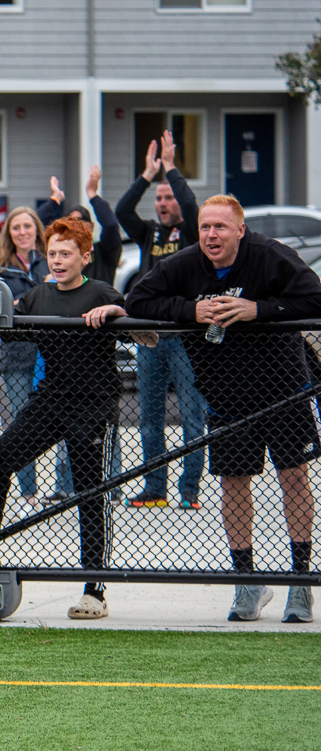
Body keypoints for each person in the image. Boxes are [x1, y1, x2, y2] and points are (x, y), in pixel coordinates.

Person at [127, 195, 321, 624]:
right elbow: (137, 300)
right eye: (205, 228)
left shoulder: (271, 257)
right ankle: (247, 579)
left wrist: (260, 310)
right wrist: (189, 310)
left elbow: (316, 300)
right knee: (234, 483)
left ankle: (302, 582)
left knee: (294, 476)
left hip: (283, 389)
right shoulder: (184, 264)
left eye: (220, 227)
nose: (211, 235)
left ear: (240, 230)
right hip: (226, 395)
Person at [0, 219, 131, 620]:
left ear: (85, 257)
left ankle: (95, 589)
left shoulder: (100, 292)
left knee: (90, 491)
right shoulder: (38, 295)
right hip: (51, 401)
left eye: (66, 254)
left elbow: (144, 331)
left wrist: (117, 310)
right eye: (52, 253)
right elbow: (5, 327)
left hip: (94, 406)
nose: (57, 260)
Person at [116, 131, 205, 508]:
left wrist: (171, 168)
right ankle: (155, 488)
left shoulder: (191, 232)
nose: (164, 202)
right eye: (159, 198)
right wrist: (147, 176)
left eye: (169, 197)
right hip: (150, 335)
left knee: (191, 416)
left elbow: (192, 203)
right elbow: (122, 211)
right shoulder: (149, 232)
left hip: (185, 335)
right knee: (149, 417)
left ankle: (189, 490)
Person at [39, 166, 127, 500]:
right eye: (54, 253)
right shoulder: (47, 285)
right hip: (60, 378)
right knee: (62, 433)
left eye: (81, 223)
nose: (58, 258)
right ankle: (64, 486)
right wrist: (54, 201)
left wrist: (93, 194)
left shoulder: (105, 257)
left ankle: (110, 483)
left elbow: (114, 226)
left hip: (95, 374)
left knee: (97, 446)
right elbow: (41, 230)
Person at [0, 206, 64, 508]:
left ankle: (64, 487)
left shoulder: (50, 263)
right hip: (16, 357)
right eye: (16, 227)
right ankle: (28, 492)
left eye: (28, 226)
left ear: (36, 230)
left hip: (50, 353)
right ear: (9, 233)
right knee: (22, 422)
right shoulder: (0, 270)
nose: (22, 232)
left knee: (59, 418)